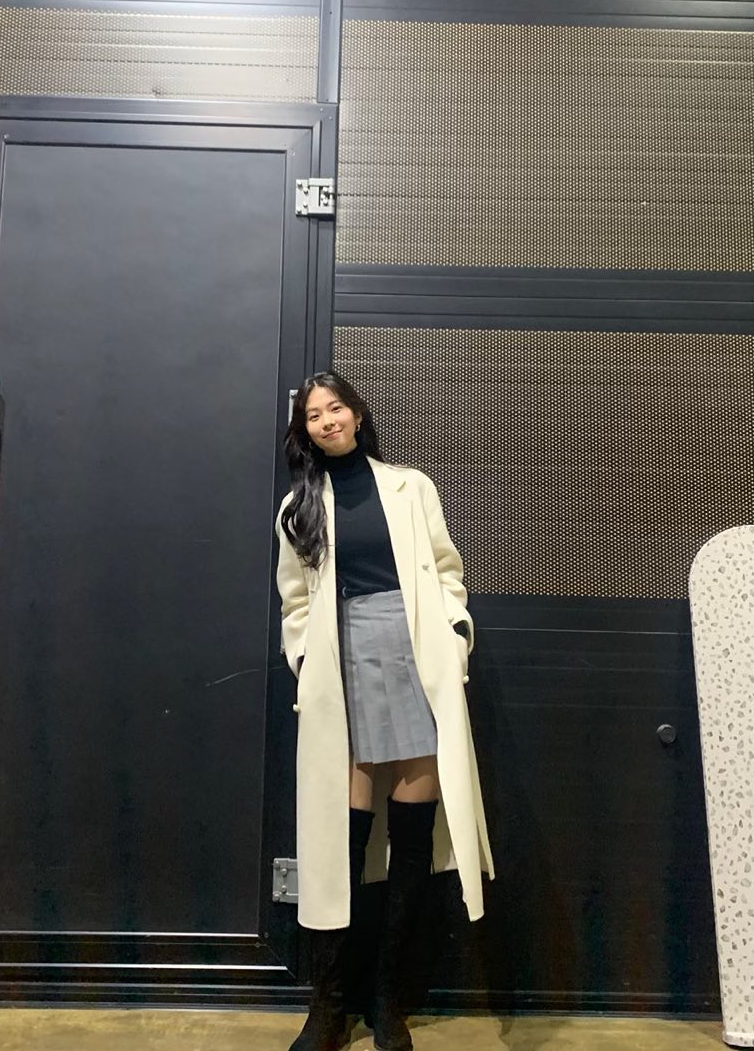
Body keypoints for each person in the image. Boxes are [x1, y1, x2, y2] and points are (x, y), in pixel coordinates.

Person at [275, 371, 494, 1051]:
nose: (328, 420)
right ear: (305, 431)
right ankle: (329, 1004)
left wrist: (454, 636)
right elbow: (295, 600)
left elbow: (447, 571)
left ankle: (386, 999)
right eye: (314, 415)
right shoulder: (297, 508)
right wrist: (306, 661)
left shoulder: (410, 486)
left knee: (412, 831)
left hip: (413, 651)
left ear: (357, 413)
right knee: (339, 840)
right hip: (342, 659)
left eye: (336, 407)